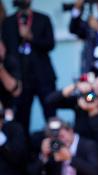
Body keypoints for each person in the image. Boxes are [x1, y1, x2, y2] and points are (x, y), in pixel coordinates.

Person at [2, 0, 57, 139]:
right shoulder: (8, 22)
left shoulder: (43, 18)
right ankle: (24, 155)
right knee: (21, 118)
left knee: (50, 114)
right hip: (21, 77)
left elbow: (50, 44)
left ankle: (56, 146)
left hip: (43, 77)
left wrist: (31, 37)